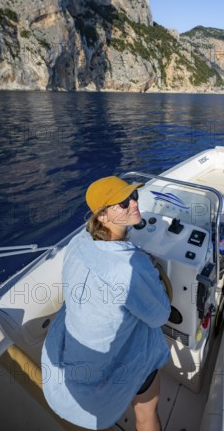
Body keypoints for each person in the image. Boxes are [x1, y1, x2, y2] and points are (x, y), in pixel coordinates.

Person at [42, 176, 171, 431]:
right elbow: (160, 316)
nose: (133, 203)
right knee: (146, 411)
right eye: (123, 203)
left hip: (72, 367)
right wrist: (153, 274)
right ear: (102, 215)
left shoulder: (79, 241)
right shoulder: (130, 268)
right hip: (108, 374)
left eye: (133, 196)